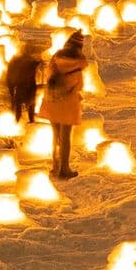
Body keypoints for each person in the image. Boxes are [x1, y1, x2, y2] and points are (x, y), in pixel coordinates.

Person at [42, 31, 88, 179]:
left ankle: (55, 166)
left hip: (52, 100)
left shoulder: (55, 60)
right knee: (65, 137)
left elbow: (48, 77)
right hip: (68, 103)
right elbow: (79, 85)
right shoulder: (77, 64)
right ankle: (64, 169)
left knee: (55, 136)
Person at [3, 45, 43, 123]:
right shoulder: (30, 61)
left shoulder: (16, 61)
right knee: (30, 104)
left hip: (21, 86)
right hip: (29, 86)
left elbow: (10, 76)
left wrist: (11, 89)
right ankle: (30, 120)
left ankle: (18, 120)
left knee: (19, 104)